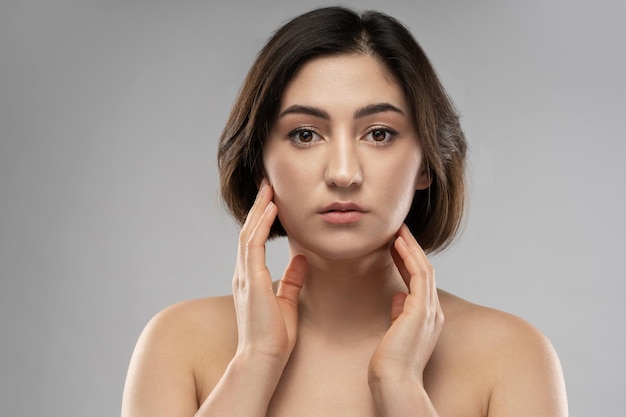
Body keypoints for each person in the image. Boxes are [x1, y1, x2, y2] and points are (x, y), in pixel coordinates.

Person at [122, 6, 568, 417]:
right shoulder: (177, 344)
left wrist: (401, 386)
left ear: (427, 164)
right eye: (304, 135)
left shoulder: (512, 357)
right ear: (260, 161)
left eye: (378, 134)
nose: (342, 173)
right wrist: (256, 361)